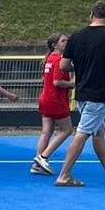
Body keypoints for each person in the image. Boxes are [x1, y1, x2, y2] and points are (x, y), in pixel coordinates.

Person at [55, 2, 105, 187]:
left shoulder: (76, 36)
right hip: (99, 93)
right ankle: (64, 175)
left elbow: (63, 65)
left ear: (91, 14)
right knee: (82, 133)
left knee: (98, 131)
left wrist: (82, 67)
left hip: (82, 92)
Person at [32, 32, 74, 175]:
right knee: (67, 130)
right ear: (54, 45)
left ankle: (37, 165)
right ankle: (43, 157)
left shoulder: (49, 59)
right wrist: (72, 84)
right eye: (63, 41)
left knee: (46, 131)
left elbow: (46, 80)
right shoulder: (57, 60)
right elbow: (57, 82)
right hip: (55, 100)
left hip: (45, 98)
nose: (66, 43)